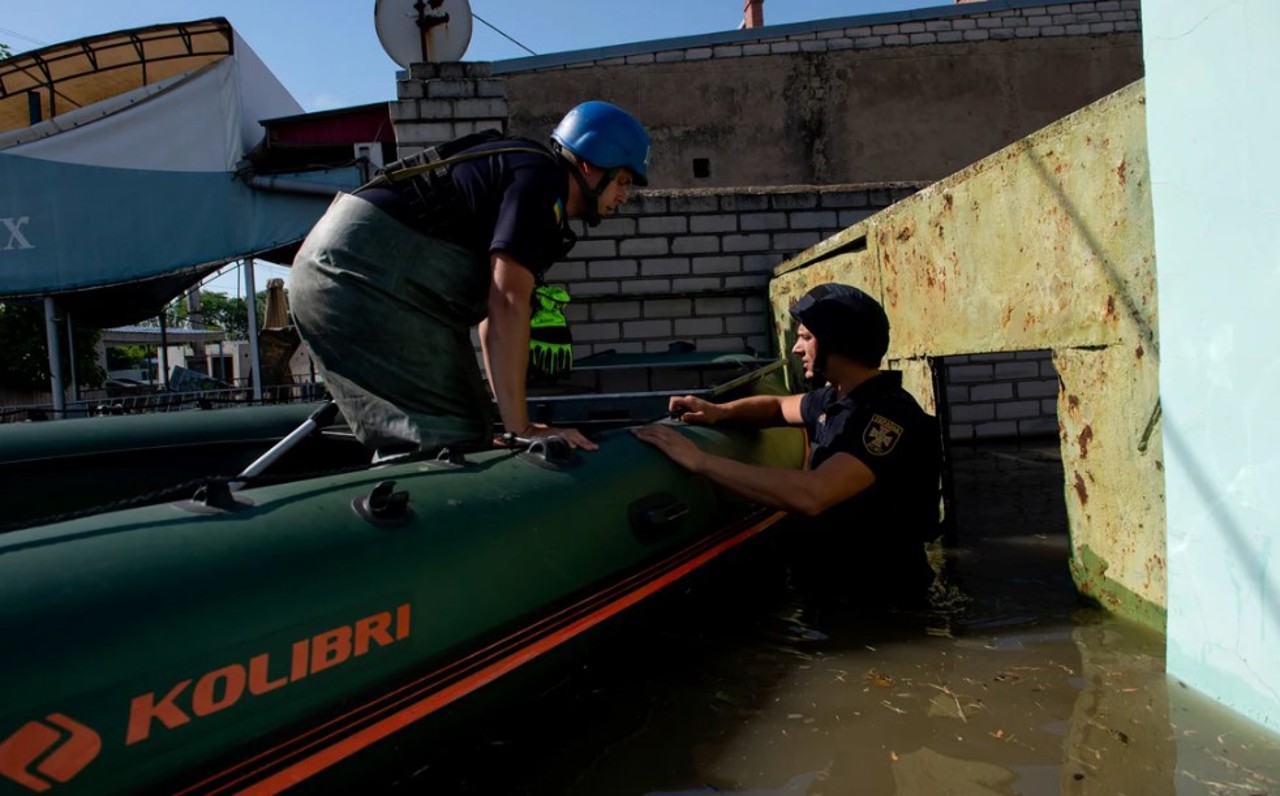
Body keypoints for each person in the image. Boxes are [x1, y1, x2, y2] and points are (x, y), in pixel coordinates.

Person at [289, 101, 650, 457]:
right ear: (589, 165)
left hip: (344, 270)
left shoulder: (526, 167)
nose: (623, 196)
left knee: (471, 425)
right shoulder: (541, 181)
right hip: (357, 277)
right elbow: (506, 302)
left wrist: (511, 425)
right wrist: (521, 429)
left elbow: (492, 314)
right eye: (621, 180)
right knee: (447, 432)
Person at [632, 283, 941, 607]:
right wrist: (718, 412)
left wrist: (702, 462)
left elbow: (814, 493)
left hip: (879, 602)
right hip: (833, 590)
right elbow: (778, 407)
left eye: (806, 337)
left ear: (837, 341)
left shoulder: (886, 416)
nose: (796, 348)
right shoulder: (835, 398)